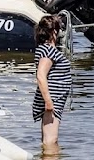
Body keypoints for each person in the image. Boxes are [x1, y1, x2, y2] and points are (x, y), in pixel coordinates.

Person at [31, 14, 73, 147]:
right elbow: (41, 75)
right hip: (51, 102)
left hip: (54, 101)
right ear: (54, 32)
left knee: (49, 141)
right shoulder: (47, 51)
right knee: (50, 142)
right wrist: (49, 102)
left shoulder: (46, 49)